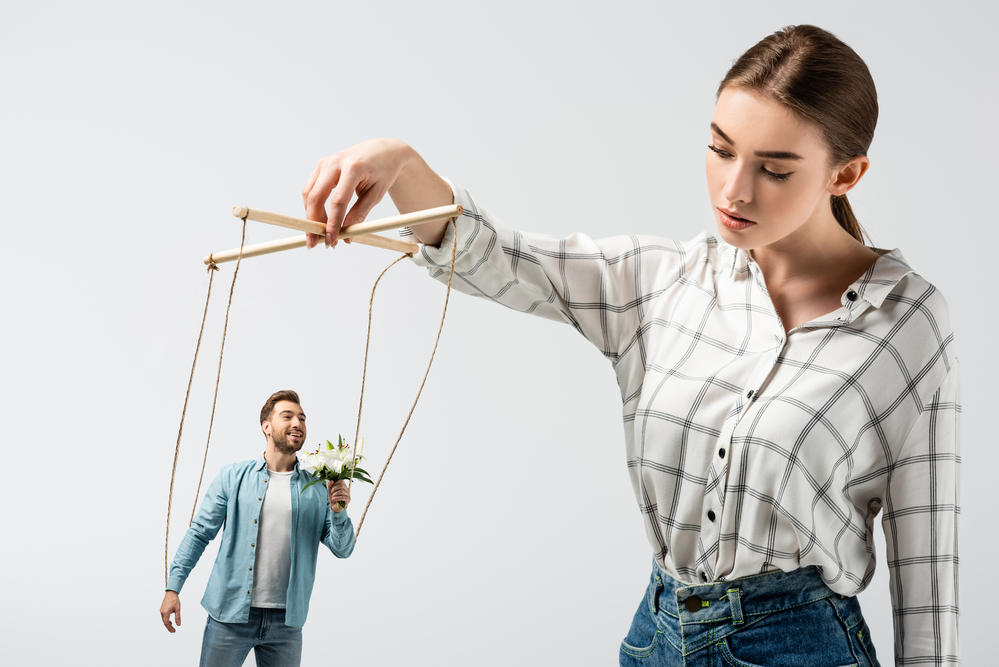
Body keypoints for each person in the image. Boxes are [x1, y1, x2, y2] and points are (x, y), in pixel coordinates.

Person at [301, 25, 959, 667]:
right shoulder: (661, 281)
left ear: (845, 174)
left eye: (774, 169)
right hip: (656, 636)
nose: (734, 189)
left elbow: (925, 559)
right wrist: (399, 162)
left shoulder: (905, 322)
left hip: (799, 643)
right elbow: (497, 257)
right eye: (720, 148)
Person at [159, 390, 355, 667]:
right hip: (229, 615)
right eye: (287, 416)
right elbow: (200, 533)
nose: (297, 423)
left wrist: (339, 513)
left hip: (286, 623)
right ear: (266, 426)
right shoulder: (232, 477)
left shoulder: (318, 488)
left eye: (302, 418)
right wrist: (173, 588)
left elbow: (342, 550)